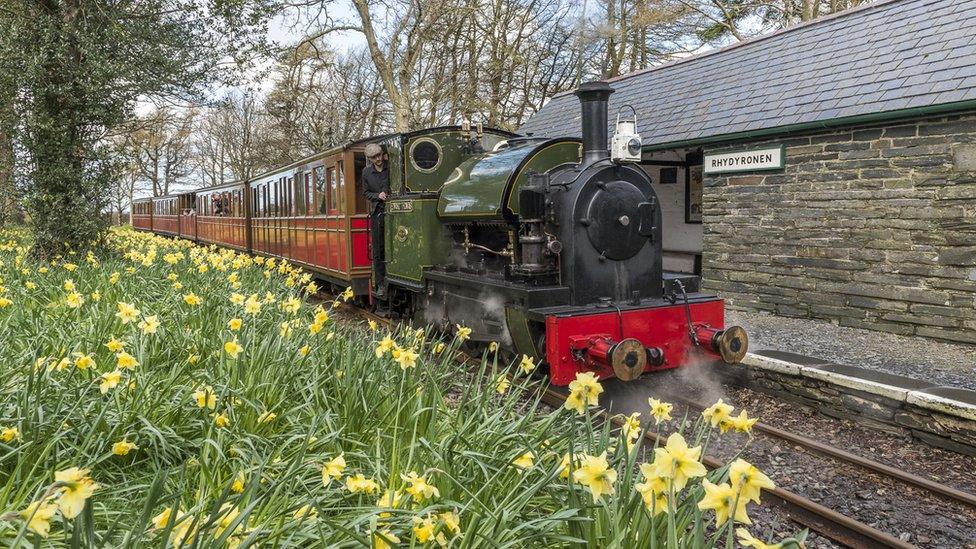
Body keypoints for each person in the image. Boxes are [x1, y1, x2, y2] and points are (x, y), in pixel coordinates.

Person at [362, 143, 390, 297]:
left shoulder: (391, 167)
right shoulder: (366, 172)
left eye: (379, 155)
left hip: (392, 210)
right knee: (378, 249)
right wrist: (377, 196)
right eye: (374, 157)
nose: (378, 159)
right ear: (370, 159)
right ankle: (380, 284)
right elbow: (365, 193)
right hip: (377, 212)